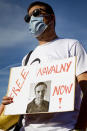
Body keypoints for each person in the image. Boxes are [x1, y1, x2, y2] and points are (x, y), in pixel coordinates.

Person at [1, 1, 87, 131]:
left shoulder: (71, 45)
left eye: (36, 13)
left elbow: (86, 88)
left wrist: (80, 126)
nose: (32, 19)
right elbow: (20, 96)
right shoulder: (27, 58)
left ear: (52, 18)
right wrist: (9, 103)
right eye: (28, 18)